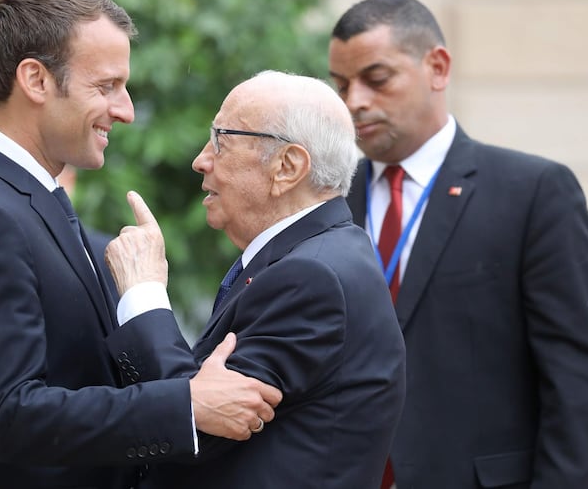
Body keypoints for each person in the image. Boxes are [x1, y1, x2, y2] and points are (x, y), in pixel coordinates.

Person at [0, 0, 281, 489]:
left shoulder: (27, 199)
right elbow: (7, 414)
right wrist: (185, 405)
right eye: (106, 87)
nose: (125, 110)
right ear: (36, 80)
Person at [328, 0, 588, 489]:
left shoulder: (533, 193)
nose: (355, 101)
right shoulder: (325, 199)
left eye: (375, 79)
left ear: (437, 67)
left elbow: (578, 385)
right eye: (341, 85)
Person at [103, 70, 406, 488]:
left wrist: (144, 294)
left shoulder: (310, 277)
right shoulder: (314, 256)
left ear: (288, 166)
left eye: (221, 142)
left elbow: (196, 424)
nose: (200, 160)